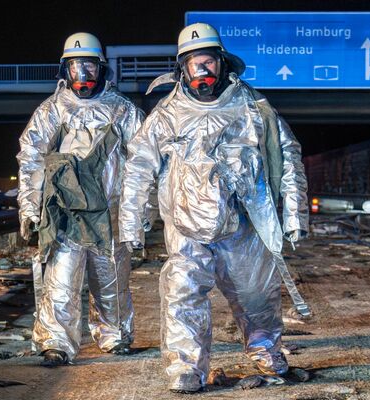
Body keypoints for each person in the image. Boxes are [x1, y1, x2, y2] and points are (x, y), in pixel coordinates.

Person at [118, 23, 309, 393]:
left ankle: (267, 352)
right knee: (181, 293)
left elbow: (288, 157)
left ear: (222, 63)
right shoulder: (166, 115)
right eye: (193, 64)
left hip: (244, 225)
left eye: (208, 63)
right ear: (181, 69)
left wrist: (294, 215)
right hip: (187, 229)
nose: (202, 72)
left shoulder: (254, 109)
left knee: (257, 296)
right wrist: (132, 223)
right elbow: (138, 167)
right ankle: (185, 368)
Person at [17, 32, 144, 367]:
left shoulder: (123, 112)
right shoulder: (51, 112)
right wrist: (30, 207)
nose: (83, 77)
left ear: (101, 68)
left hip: (110, 213)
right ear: (65, 70)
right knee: (61, 280)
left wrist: (142, 211)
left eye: (88, 67)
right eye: (76, 68)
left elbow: (143, 163)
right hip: (65, 215)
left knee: (112, 281)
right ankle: (56, 343)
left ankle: (114, 336)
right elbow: (31, 158)